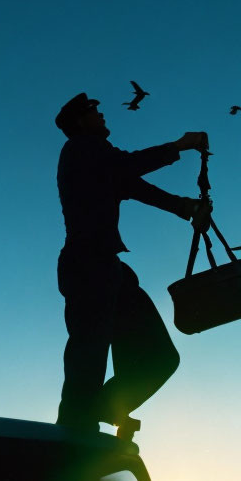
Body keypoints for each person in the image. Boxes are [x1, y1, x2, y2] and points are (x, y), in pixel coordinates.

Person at [54, 92, 210, 438]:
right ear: (81, 121)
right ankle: (73, 434)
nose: (103, 114)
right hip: (88, 266)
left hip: (110, 269)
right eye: (96, 110)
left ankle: (93, 412)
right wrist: (180, 145)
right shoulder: (81, 149)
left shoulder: (98, 161)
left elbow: (134, 185)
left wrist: (185, 208)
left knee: (159, 359)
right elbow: (126, 168)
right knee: (88, 358)